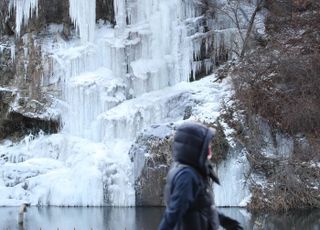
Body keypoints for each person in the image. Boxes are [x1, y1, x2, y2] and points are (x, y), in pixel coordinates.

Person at [158, 121, 243, 230]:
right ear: (195, 147)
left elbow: (202, 207)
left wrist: (227, 222)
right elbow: (173, 215)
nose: (209, 147)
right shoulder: (187, 176)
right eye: (207, 144)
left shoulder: (188, 170)